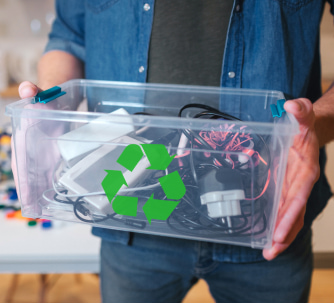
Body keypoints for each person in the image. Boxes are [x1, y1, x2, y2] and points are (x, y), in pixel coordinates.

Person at [16, 0, 334, 302]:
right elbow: (68, 37)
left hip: (265, 215)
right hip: (130, 219)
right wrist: (49, 109)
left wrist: (309, 129)